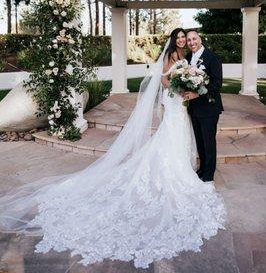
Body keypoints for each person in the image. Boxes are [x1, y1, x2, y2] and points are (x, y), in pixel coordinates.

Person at [0, 28, 226, 269]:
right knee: (175, 136)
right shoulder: (172, 55)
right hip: (176, 102)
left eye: (188, 38)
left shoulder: (191, 57)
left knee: (191, 137)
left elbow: (208, 81)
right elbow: (164, 79)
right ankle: (187, 171)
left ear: (196, 40)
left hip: (188, 105)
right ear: (175, 40)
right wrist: (178, 89)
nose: (185, 40)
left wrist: (187, 88)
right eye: (182, 37)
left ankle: (197, 170)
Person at [184, 29, 224, 183]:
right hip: (194, 108)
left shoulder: (212, 57)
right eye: (189, 40)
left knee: (208, 142)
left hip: (209, 107)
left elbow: (216, 84)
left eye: (194, 39)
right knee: (200, 141)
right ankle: (202, 169)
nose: (192, 42)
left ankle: (209, 174)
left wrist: (197, 94)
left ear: (200, 39)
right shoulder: (188, 58)